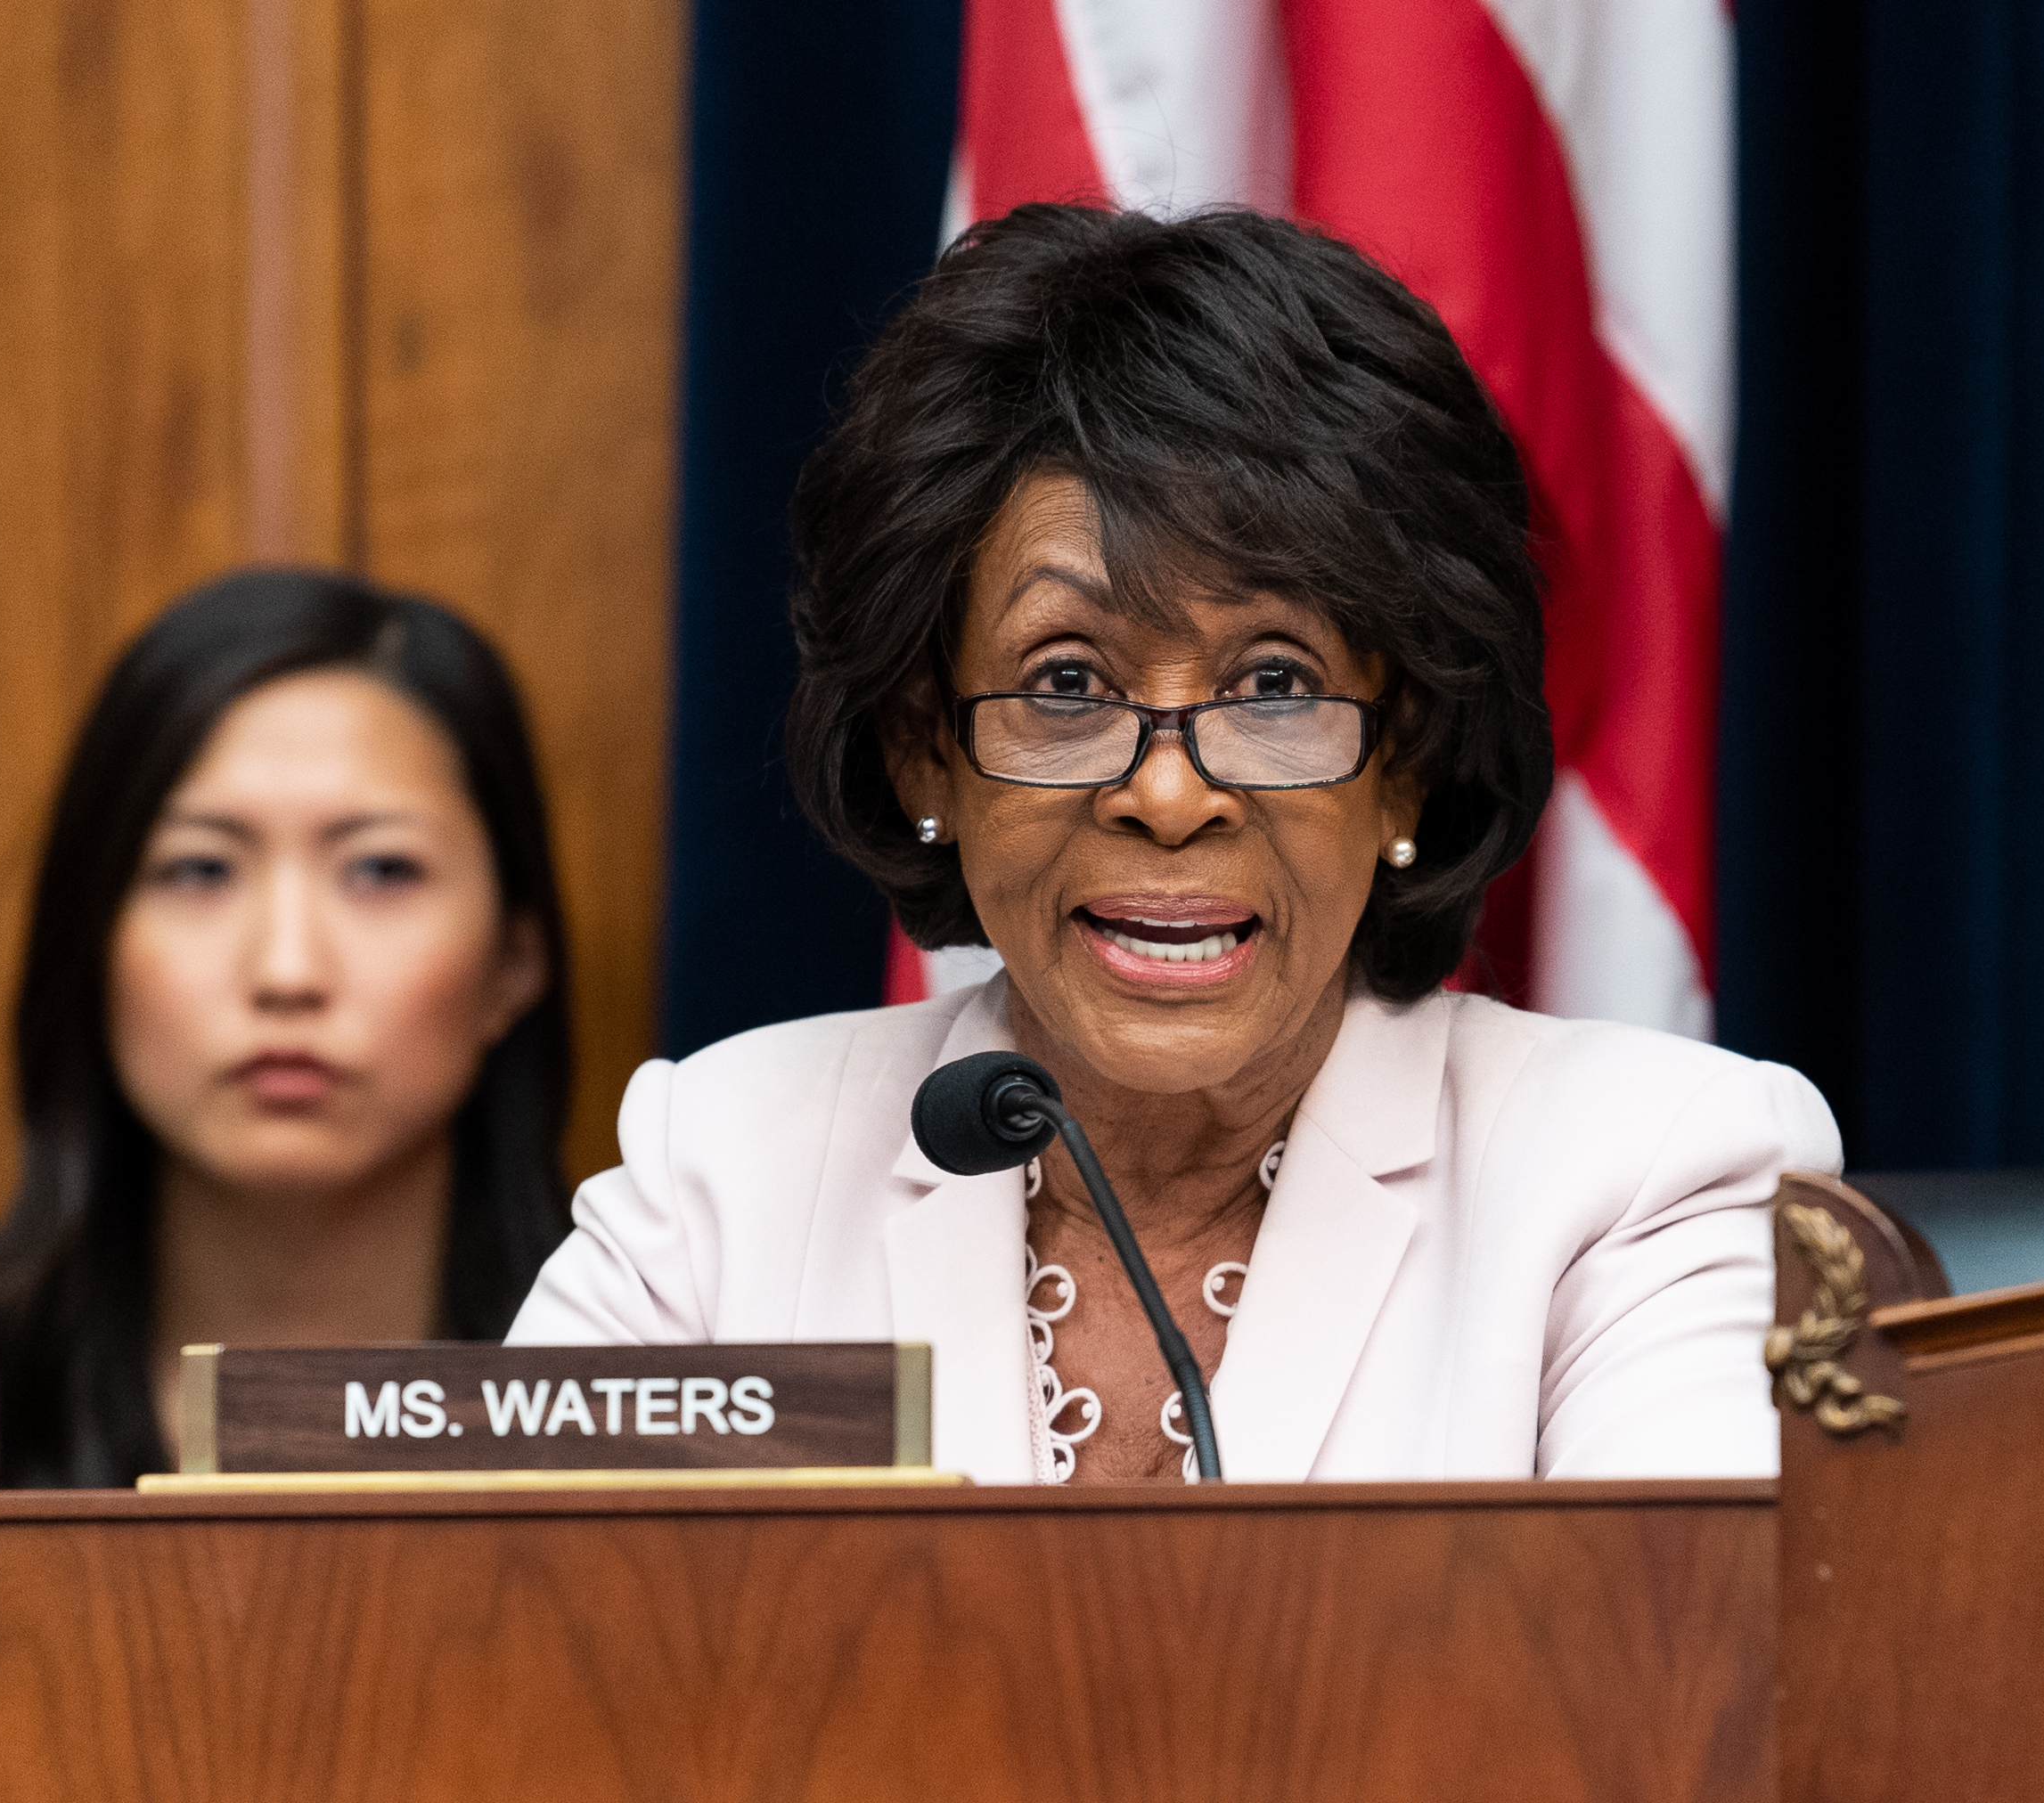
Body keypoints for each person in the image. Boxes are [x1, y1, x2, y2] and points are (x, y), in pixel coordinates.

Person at [511, 205, 1841, 1484]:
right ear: (928, 749)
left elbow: (1673, 1674)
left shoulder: (1638, 1174)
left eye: (1273, 686)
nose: (1167, 795)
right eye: (1068, 684)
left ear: (1407, 762)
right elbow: (500, 1646)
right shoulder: (727, 1176)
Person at [0, 569, 573, 1487]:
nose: (286, 970)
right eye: (201, 870)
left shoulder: (647, 1403)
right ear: (90, 942)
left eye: (379, 868)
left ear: (514, 962)